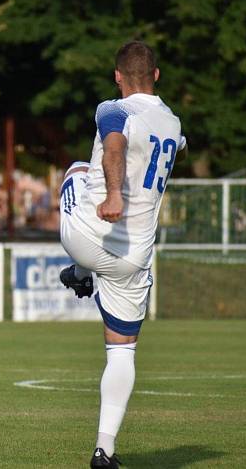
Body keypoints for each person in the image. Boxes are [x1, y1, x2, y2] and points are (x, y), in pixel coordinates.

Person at [59, 41, 186, 469]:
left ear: (117, 76)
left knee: (77, 167)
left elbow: (113, 147)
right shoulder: (171, 122)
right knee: (122, 351)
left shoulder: (113, 109)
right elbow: (173, 143)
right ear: (157, 74)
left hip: (87, 234)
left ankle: (80, 272)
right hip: (134, 256)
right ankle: (104, 450)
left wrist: (113, 193)